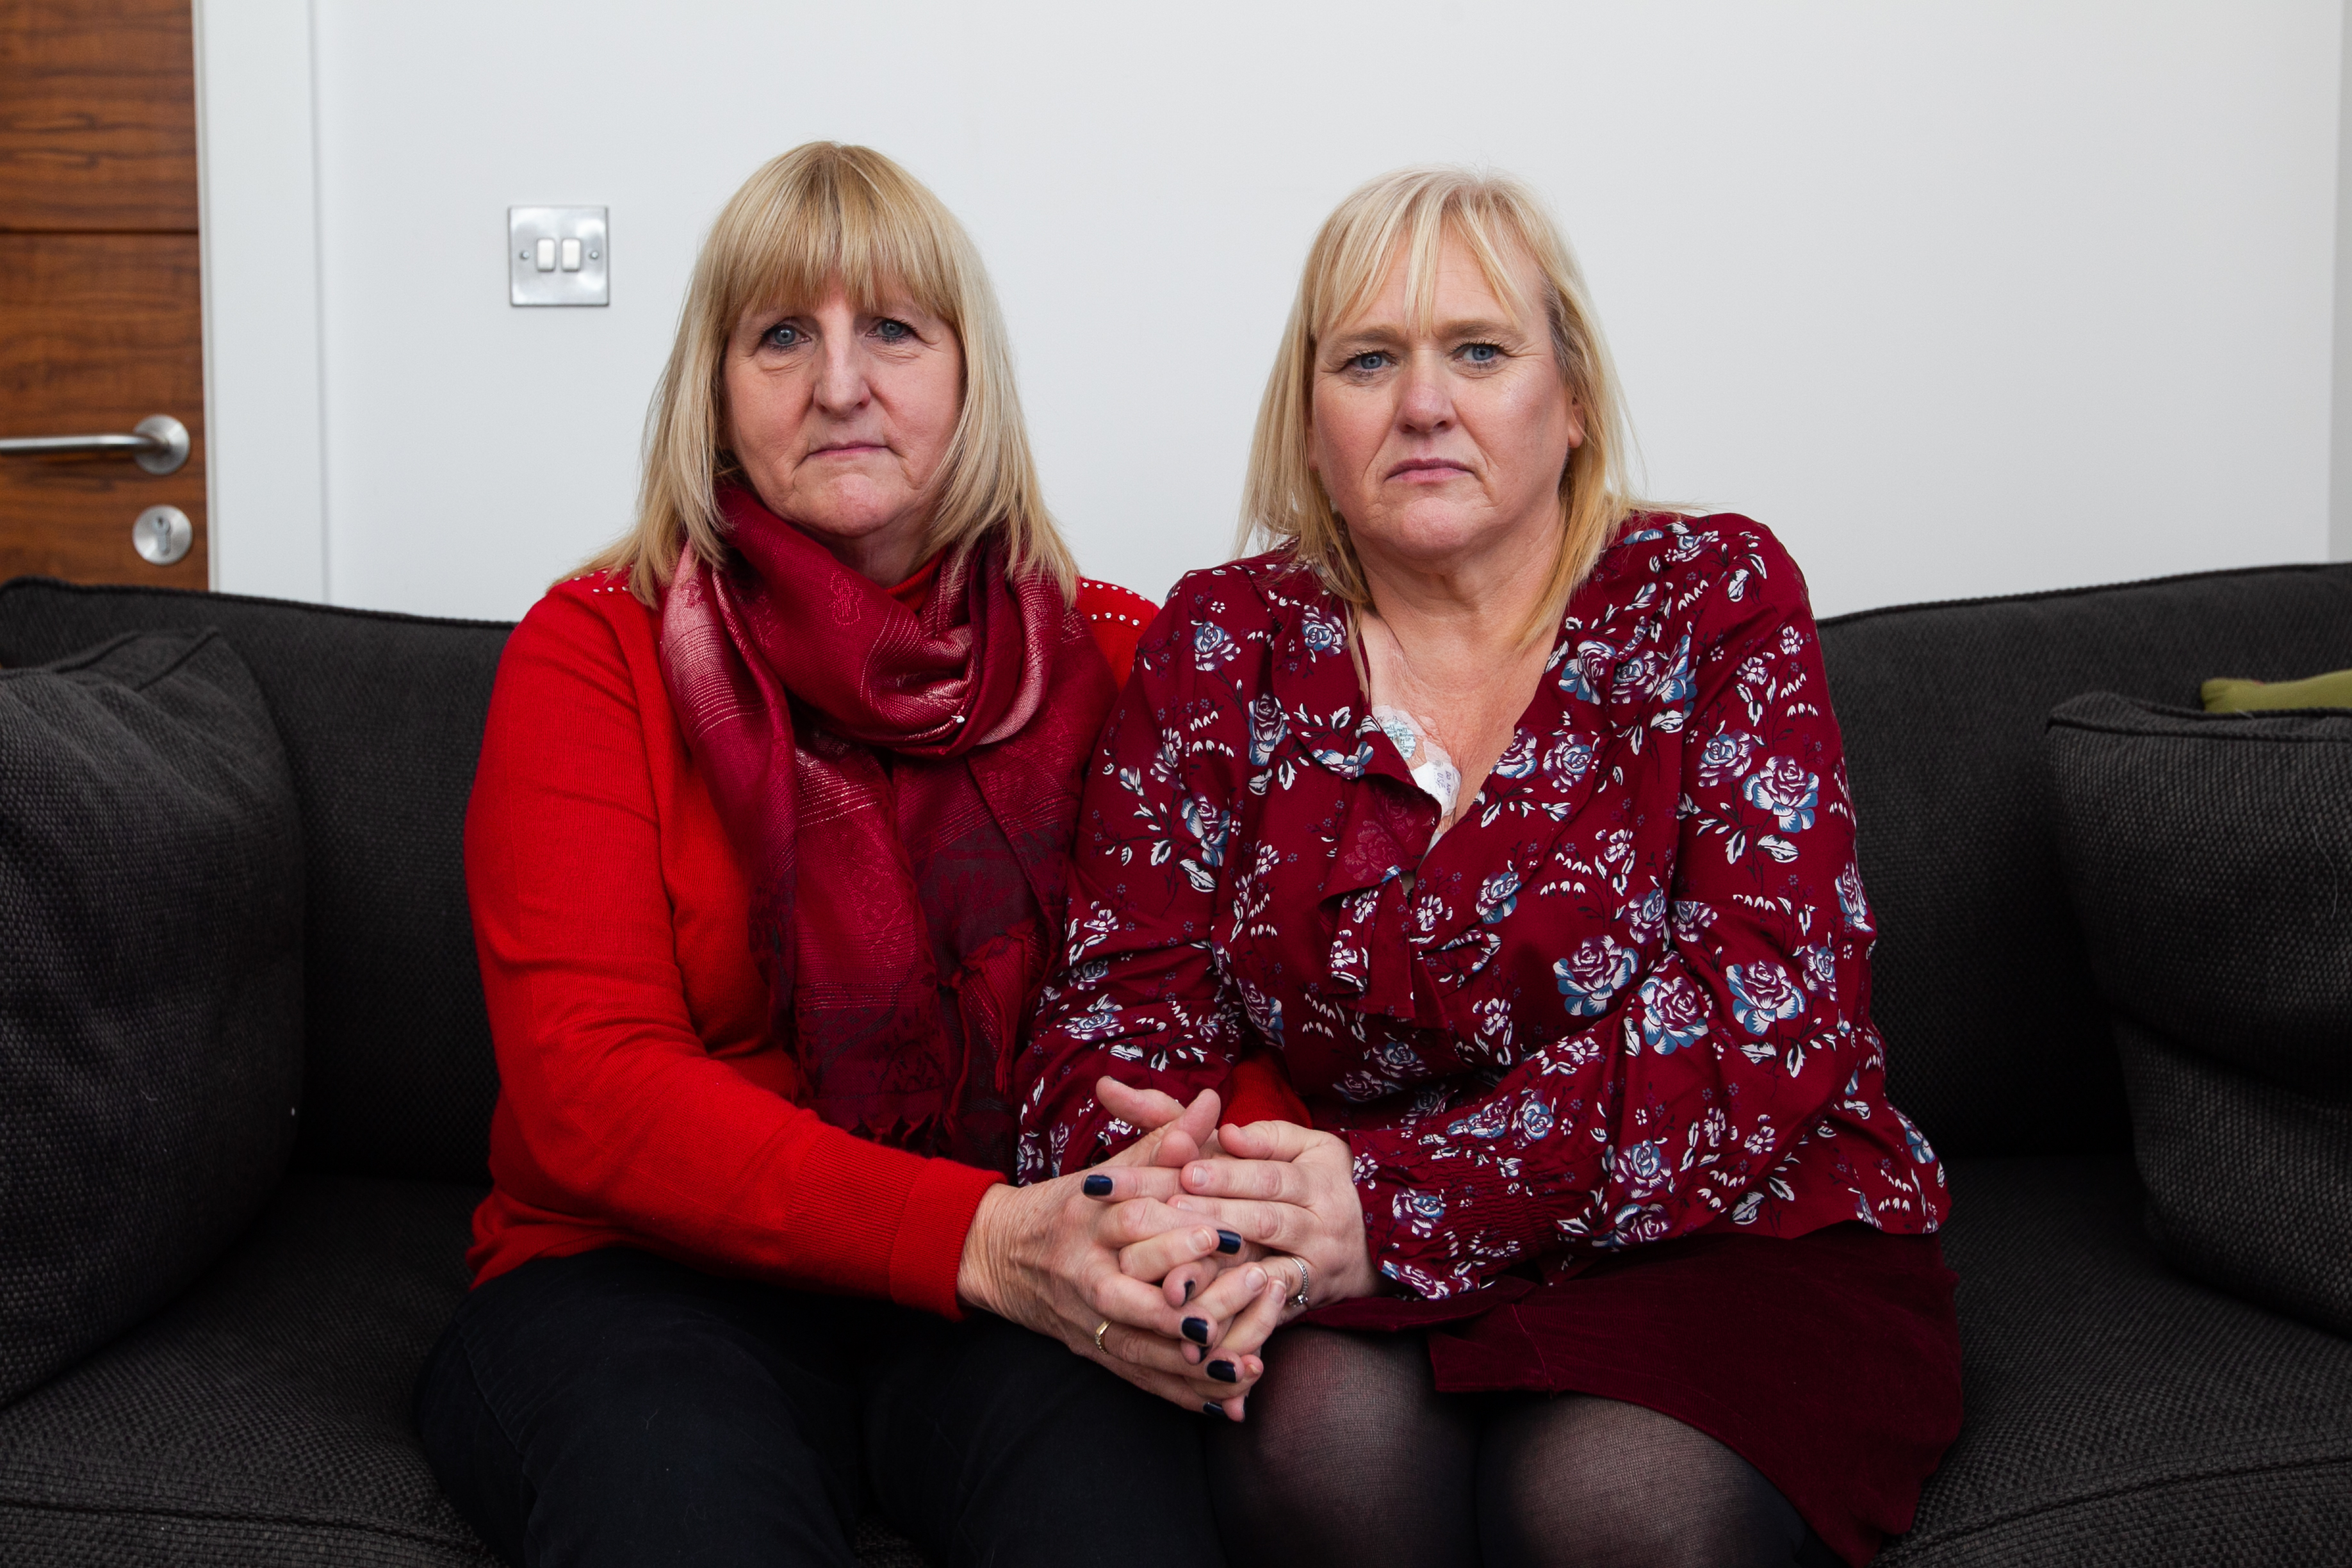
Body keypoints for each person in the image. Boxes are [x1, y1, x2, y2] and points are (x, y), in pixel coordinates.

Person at [1017, 167, 1963, 1568]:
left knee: (1609, 1504)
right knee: (1310, 1443)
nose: (1422, 404)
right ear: (1312, 418)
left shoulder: (1710, 597)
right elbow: (1116, 1011)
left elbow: (1768, 1014)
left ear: (1571, 402)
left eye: (1478, 350)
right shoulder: (1224, 643)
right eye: (1369, 360)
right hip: (1351, 1262)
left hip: (1724, 1230)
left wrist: (1386, 1204)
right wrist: (1191, 1209)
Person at [413, 142, 1295, 1568]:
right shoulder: (595, 654)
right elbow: (592, 1088)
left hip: (1017, 1288)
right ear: (714, 392)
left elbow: (1230, 1011)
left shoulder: (1124, 657)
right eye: (781, 337)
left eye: (891, 329)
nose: (839, 383)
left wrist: (1211, 1212)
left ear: (968, 380)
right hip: (639, 1289)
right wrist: (984, 1237)